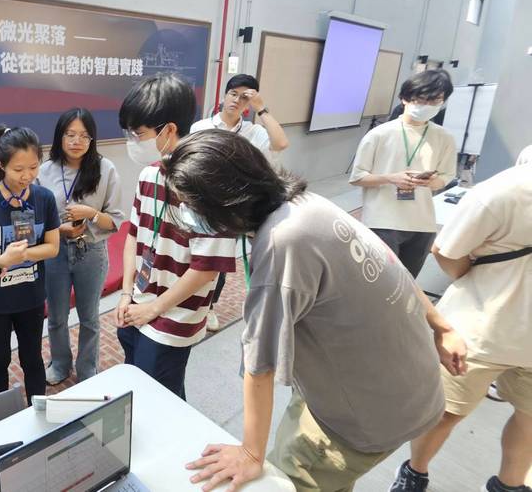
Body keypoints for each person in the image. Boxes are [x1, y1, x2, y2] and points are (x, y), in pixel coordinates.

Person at [165, 130, 468, 492]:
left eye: (190, 204)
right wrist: (441, 326)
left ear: (222, 203)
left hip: (363, 414)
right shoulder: (307, 204)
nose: (187, 214)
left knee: (287, 483)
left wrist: (250, 452)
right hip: (408, 389)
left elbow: (259, 362)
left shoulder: (282, 243)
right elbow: (390, 264)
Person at [388, 157, 532, 492]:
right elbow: (446, 251)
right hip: (482, 329)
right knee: (447, 412)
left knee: (530, 417)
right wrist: (481, 285)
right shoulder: (502, 191)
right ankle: (415, 471)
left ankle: (509, 484)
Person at [115, 72, 237, 399]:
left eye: (138, 133)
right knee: (137, 386)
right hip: (138, 302)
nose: (133, 141)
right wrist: (126, 294)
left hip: (173, 316)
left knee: (158, 399)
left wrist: (154, 308)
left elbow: (207, 267)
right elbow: (133, 236)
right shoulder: (149, 174)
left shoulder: (205, 183)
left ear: (169, 130)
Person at [0, 126, 60, 404]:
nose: (27, 176)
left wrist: (23, 254)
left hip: (30, 297)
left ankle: (38, 411)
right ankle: (3, 410)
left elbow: (52, 247)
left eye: (33, 167)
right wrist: (2, 260)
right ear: (1, 165)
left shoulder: (44, 198)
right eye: (18, 169)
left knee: (33, 358)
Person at [189, 73, 289, 331]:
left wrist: (261, 109)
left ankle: (209, 306)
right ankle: (188, 300)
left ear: (249, 103)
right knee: (193, 254)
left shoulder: (253, 132)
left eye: (244, 97)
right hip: (201, 202)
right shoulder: (201, 127)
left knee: (220, 260)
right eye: (233, 94)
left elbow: (281, 143)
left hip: (232, 208)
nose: (236, 100)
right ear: (224, 95)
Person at [38, 109, 125, 385]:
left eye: (84, 136)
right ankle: (60, 364)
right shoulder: (45, 171)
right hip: (55, 252)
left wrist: (92, 214)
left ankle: (87, 368)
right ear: (60, 136)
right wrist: (59, 230)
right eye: (70, 134)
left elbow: (116, 220)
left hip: (91, 252)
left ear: (92, 139)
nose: (77, 141)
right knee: (57, 316)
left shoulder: (105, 169)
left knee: (89, 317)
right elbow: (36, 220)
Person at [350, 69, 458, 278]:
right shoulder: (379, 134)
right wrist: (391, 178)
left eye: (436, 101)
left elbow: (446, 177)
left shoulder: (444, 137)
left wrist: (431, 182)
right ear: (405, 98)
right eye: (422, 99)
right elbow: (357, 177)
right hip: (382, 221)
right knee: (381, 282)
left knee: (408, 284)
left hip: (422, 223)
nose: (428, 106)